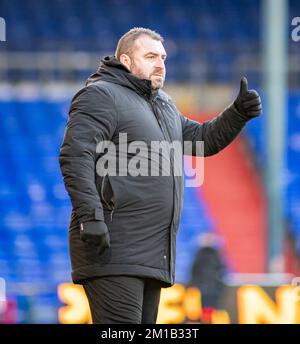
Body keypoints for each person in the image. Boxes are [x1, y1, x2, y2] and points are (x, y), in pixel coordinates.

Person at [59, 27, 262, 324]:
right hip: (113, 250)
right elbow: (75, 156)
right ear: (126, 61)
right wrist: (90, 217)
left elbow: (203, 139)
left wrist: (237, 113)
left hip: (153, 256)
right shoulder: (101, 94)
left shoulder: (163, 104)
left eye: (163, 58)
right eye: (151, 56)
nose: (160, 64)